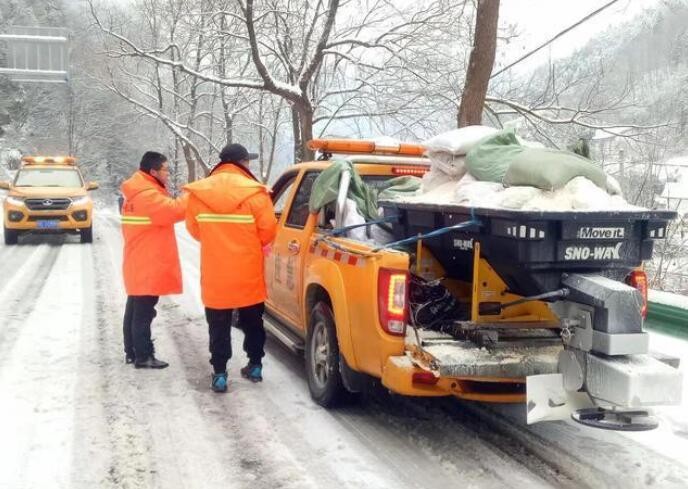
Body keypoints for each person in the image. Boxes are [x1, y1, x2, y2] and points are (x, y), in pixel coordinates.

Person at [184, 143, 277, 392]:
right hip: (247, 270)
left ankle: (220, 373)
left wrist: (217, 241)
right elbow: (268, 231)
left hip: (216, 271)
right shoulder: (257, 193)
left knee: (218, 323)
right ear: (243, 163)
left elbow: (193, 229)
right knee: (252, 320)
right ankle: (255, 365)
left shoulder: (199, 193)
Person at [120, 151, 186, 369]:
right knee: (143, 311)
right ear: (153, 171)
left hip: (139, 259)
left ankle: (132, 351)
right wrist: (192, 194)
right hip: (147, 261)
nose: (168, 173)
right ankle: (143, 356)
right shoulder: (146, 195)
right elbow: (175, 211)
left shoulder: (137, 191)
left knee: (135, 307)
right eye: (166, 169)